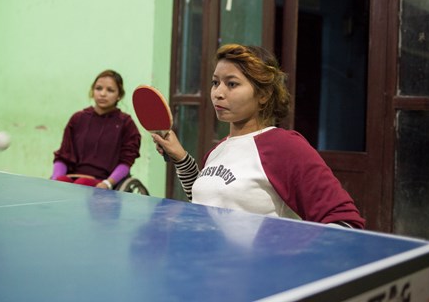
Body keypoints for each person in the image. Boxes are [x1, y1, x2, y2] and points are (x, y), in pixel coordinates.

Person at [152, 44, 365, 229]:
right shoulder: (218, 150)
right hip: (213, 269)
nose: (218, 92)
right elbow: (206, 203)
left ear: (263, 95)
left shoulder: (285, 147)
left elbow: (345, 221)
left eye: (232, 84)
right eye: (215, 82)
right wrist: (181, 159)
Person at [52, 69, 141, 190]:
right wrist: (55, 180)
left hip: (103, 182)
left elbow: (126, 162)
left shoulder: (126, 124)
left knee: (82, 184)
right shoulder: (78, 119)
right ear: (92, 91)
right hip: (73, 179)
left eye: (110, 90)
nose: (103, 94)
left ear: (119, 95)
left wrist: (107, 183)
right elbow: (63, 155)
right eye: (98, 88)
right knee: (62, 182)